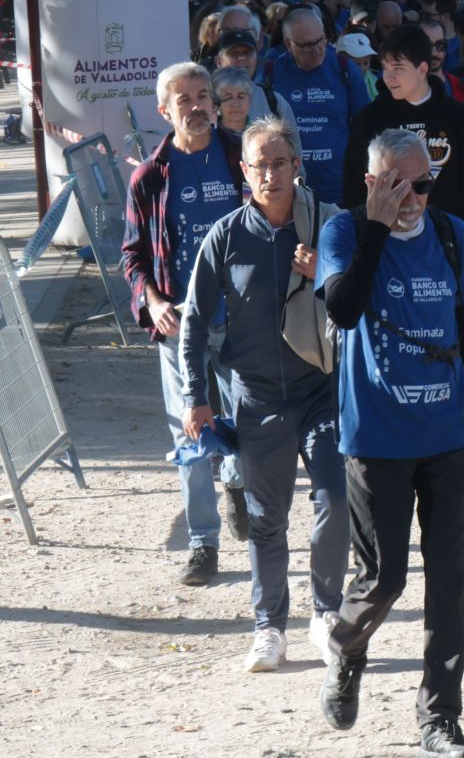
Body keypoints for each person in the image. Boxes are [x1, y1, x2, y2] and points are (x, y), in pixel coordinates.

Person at [315, 130, 464, 758]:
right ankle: (348, 645)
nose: (414, 196)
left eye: (423, 184)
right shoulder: (344, 233)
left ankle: (439, 717)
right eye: (399, 184)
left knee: (449, 580)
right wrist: (377, 229)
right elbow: (342, 308)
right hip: (377, 436)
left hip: (447, 434)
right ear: (371, 183)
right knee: (384, 577)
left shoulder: (451, 234)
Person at [178, 118, 347, 672]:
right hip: (255, 398)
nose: (271, 174)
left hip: (320, 390)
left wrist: (327, 275)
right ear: (243, 172)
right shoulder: (225, 236)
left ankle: (325, 613)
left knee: (335, 500)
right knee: (265, 518)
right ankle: (268, 627)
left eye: (281, 163)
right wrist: (195, 396)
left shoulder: (329, 225)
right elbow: (195, 321)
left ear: (298, 165)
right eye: (259, 165)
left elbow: (362, 300)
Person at [122, 62, 249, 586]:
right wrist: (152, 302)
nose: (198, 106)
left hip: (243, 316)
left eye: (204, 96)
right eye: (185, 99)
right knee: (189, 428)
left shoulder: (243, 155)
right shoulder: (151, 177)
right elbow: (132, 256)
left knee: (251, 421)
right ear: (164, 111)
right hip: (182, 325)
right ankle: (203, 542)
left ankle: (238, 484)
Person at [341, 24, 464, 223]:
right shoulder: (370, 118)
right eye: (385, 67)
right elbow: (355, 187)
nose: (389, 77)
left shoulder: (459, 117)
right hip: (386, 236)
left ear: (422, 69)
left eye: (398, 68)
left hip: (444, 235)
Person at [263, 7, 370, 203]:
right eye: (306, 45)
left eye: (321, 40)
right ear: (288, 44)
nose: (317, 49)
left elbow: (365, 127)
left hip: (339, 189)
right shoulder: (272, 73)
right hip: (290, 190)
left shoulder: (345, 69)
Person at [210, 68, 257, 135]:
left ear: (250, 100)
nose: (235, 104)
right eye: (228, 97)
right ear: (216, 102)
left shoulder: (262, 135)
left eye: (241, 97)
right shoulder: (207, 136)